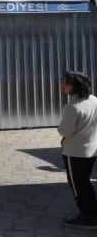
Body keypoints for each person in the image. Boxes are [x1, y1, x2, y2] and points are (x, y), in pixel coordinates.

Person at [58, 70, 97, 230]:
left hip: (75, 152)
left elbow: (66, 131)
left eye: (66, 83)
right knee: (85, 182)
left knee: (78, 185)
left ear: (75, 86)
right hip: (92, 150)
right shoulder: (94, 101)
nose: (62, 85)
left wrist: (59, 128)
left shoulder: (72, 107)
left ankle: (88, 217)